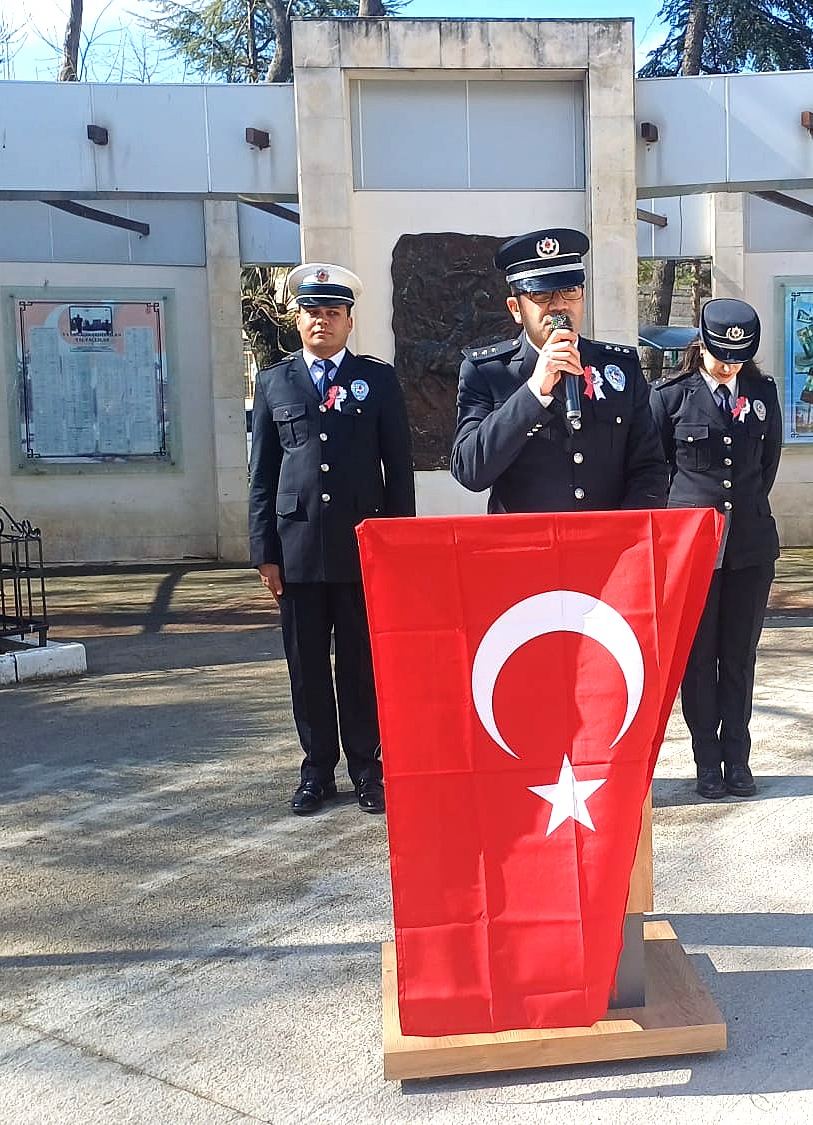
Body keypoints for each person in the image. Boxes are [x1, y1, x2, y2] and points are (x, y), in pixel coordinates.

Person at [249, 264, 416, 816]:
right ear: (297, 319)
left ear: (349, 321)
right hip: (296, 553)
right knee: (307, 668)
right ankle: (318, 770)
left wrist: (397, 548)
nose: (322, 321)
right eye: (312, 312)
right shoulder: (275, 383)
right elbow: (262, 476)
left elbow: (399, 469)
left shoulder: (379, 380)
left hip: (361, 548)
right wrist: (264, 553)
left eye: (333, 313)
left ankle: (368, 769)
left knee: (361, 665)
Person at [648, 299, 782, 798]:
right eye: (721, 355)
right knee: (698, 660)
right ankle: (707, 761)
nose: (729, 366)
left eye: (738, 358)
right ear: (701, 344)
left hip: (749, 546)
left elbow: (766, 467)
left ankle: (738, 759)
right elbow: (656, 471)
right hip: (692, 550)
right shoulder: (670, 398)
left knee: (739, 657)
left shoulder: (762, 394)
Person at [451, 227, 668, 512]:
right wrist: (533, 392)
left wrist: (625, 535)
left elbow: (649, 469)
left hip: (605, 548)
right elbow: (470, 470)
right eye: (541, 295)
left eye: (569, 290)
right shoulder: (487, 371)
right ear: (516, 308)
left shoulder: (620, 368)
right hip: (527, 550)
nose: (559, 305)